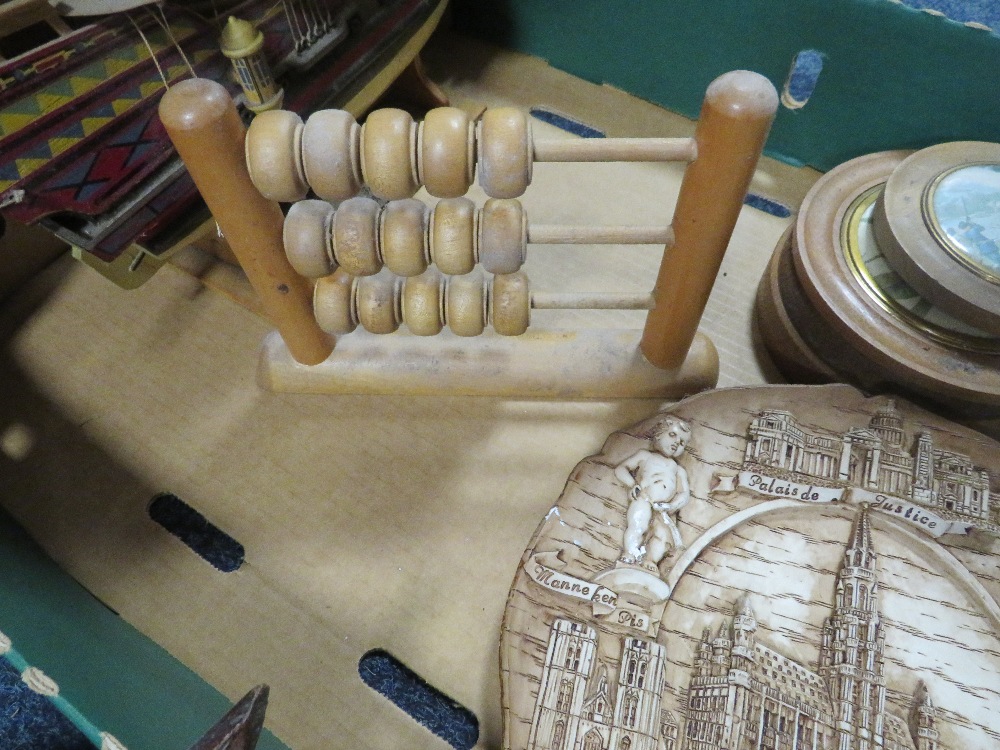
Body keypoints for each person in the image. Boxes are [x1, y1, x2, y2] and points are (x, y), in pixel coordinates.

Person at [614, 416, 692, 568]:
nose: (677, 442)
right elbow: (620, 469)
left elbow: (684, 493)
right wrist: (632, 484)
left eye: (682, 442)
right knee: (638, 525)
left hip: (664, 509)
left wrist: (671, 506)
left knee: (662, 537)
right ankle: (629, 553)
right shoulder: (645, 456)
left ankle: (651, 560)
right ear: (658, 434)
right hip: (644, 498)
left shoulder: (678, 469)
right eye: (672, 435)